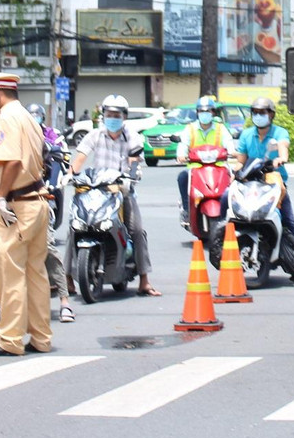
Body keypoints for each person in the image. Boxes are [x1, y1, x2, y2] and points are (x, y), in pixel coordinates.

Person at [0, 72, 51, 357]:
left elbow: (10, 162)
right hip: (37, 201)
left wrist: (0, 197)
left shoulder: (6, 118)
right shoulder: (29, 118)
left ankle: (9, 340)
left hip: (16, 205)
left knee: (9, 273)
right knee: (35, 273)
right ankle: (41, 337)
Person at [72, 94, 160, 296]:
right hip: (96, 191)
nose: (112, 118)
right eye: (109, 114)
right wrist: (71, 175)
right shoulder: (94, 135)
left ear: (124, 117)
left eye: (116, 115)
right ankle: (68, 278)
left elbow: (135, 160)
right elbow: (80, 159)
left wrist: (131, 174)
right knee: (74, 226)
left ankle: (144, 280)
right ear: (103, 115)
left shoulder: (132, 136)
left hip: (122, 191)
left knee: (136, 230)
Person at [233, 97, 294, 285]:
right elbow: (241, 160)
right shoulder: (247, 134)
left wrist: (280, 159)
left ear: (271, 115)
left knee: (288, 219)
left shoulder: (279, 133)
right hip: (250, 183)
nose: (259, 116)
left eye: (263, 112)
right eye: (255, 113)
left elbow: (283, 148)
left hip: (273, 183)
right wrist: (234, 168)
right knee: (227, 203)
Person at [28, 102, 75, 322]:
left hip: (38, 201)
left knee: (47, 247)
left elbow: (58, 160)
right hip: (11, 205)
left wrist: (50, 185)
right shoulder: (14, 138)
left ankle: (64, 302)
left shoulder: (49, 139)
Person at [175, 95, 236, 220]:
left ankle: (233, 210)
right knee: (182, 177)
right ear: (197, 113)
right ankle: (187, 210)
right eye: (201, 111)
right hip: (196, 168)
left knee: (235, 180)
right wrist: (181, 155)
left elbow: (229, 143)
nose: (204, 114)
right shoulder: (190, 129)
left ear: (213, 112)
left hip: (218, 167)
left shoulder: (221, 128)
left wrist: (232, 151)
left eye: (207, 111)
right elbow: (183, 144)